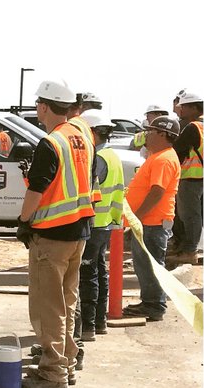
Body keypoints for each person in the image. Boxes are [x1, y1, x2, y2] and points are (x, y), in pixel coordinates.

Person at [16, 80, 93, 388]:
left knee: (48, 307)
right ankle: (66, 363)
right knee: (67, 301)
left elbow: (38, 189)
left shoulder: (51, 142)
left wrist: (23, 221)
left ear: (45, 107)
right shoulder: (81, 137)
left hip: (52, 237)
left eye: (37, 105)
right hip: (78, 232)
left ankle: (52, 373)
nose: (36, 110)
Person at [121, 115, 181, 322]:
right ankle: (151, 301)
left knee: (150, 264)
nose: (146, 135)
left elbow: (157, 192)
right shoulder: (160, 157)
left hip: (153, 223)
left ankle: (154, 305)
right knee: (145, 264)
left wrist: (137, 217)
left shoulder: (164, 159)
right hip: (150, 222)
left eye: (151, 131)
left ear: (163, 134)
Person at [79, 112, 123, 341]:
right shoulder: (112, 155)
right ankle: (99, 322)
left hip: (94, 224)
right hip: (106, 223)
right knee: (99, 272)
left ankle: (87, 326)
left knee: (88, 275)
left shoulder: (99, 157)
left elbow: (88, 187)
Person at [167, 91, 204, 264]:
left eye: (184, 107)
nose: (181, 110)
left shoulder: (193, 127)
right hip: (202, 177)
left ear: (193, 107)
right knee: (198, 216)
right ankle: (192, 248)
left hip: (192, 177)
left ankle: (190, 251)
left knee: (189, 215)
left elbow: (177, 150)